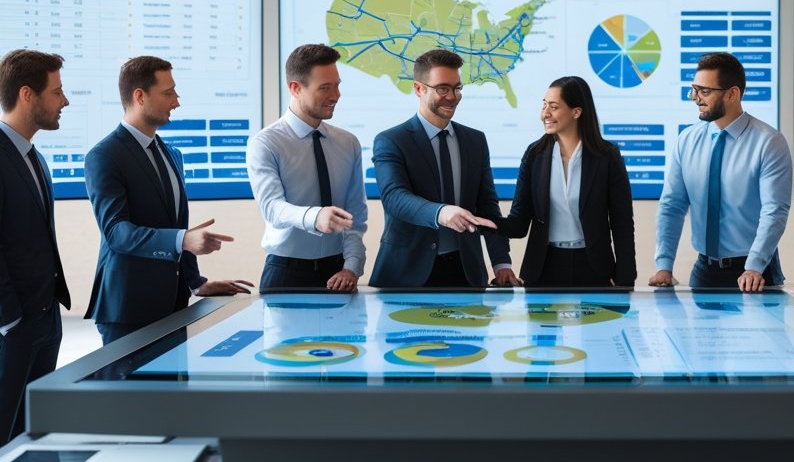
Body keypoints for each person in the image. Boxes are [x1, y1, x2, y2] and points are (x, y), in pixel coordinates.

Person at [0, 49, 71, 462]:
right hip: (4, 326)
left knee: (31, 436)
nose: (65, 101)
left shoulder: (33, 158)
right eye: (56, 91)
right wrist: (10, 321)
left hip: (40, 320)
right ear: (27, 94)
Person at [85, 56, 252, 345]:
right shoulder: (104, 156)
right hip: (128, 310)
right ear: (139, 96)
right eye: (168, 93)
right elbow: (116, 233)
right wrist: (183, 240)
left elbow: (175, 227)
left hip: (173, 306)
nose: (176, 102)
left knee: (171, 390)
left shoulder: (171, 153)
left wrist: (196, 283)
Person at [369, 48, 517, 288]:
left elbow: (488, 206)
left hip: (466, 271)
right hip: (407, 273)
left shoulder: (475, 141)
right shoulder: (392, 140)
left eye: (457, 88)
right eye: (442, 89)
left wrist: (501, 262)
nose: (452, 96)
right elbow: (395, 198)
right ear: (419, 89)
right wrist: (442, 213)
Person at [649, 52, 791, 291]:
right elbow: (672, 205)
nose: (696, 99)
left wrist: (754, 266)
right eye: (694, 89)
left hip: (755, 273)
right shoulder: (687, 140)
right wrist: (664, 265)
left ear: (732, 94)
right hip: (704, 270)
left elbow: (774, 211)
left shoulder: (769, 142)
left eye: (704, 91)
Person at [494, 76, 635, 287]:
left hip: (594, 267)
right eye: (544, 106)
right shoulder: (535, 154)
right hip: (544, 266)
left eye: (553, 107)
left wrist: (626, 276)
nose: (545, 114)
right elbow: (519, 223)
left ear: (576, 112)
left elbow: (622, 222)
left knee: (602, 321)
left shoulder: (607, 156)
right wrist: (481, 220)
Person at [247, 44, 366, 292]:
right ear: (295, 88)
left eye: (337, 85)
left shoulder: (348, 143)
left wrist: (352, 266)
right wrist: (314, 216)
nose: (336, 95)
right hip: (286, 275)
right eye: (325, 87)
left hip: (338, 275)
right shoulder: (266, 143)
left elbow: (355, 218)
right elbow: (272, 208)